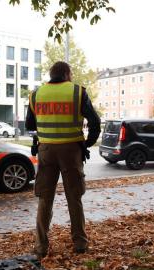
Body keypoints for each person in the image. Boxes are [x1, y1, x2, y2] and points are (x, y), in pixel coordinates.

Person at [25, 61, 101, 258]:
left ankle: (41, 246)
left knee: (45, 198)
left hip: (46, 150)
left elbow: (29, 124)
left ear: (52, 74)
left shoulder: (36, 94)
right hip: (71, 151)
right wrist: (86, 144)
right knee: (74, 197)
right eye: (71, 73)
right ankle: (80, 243)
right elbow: (95, 122)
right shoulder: (77, 92)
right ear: (67, 73)